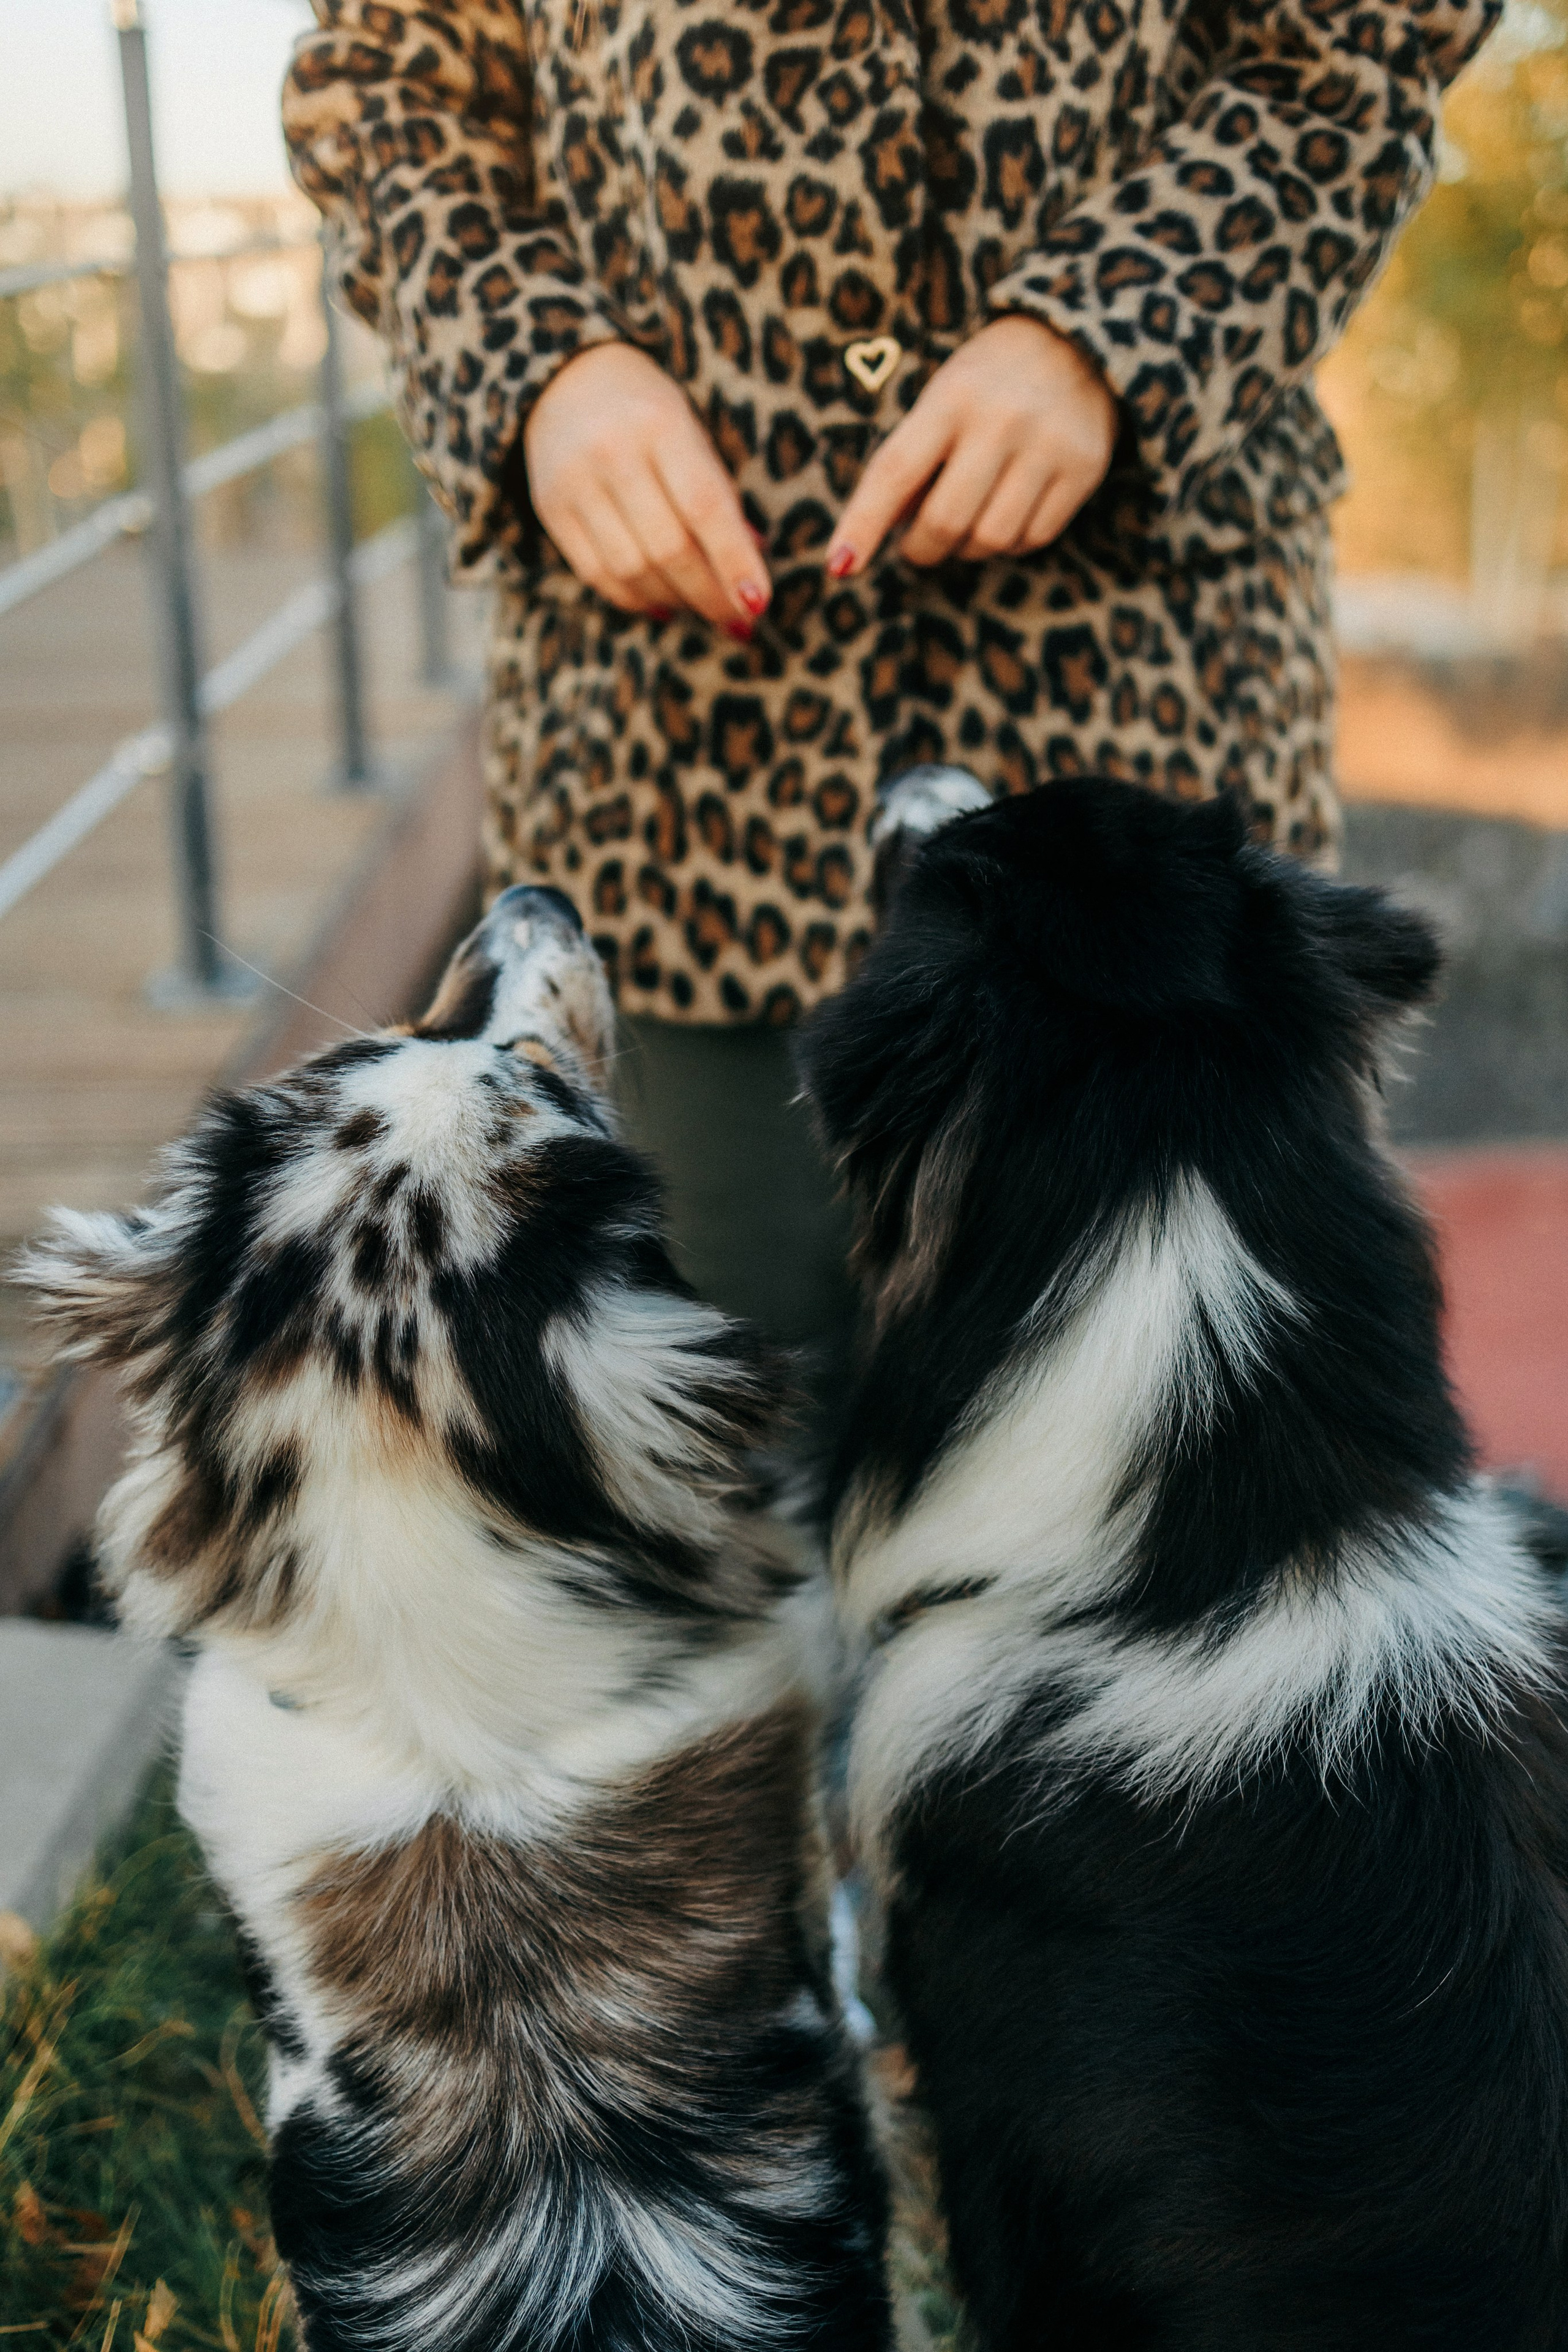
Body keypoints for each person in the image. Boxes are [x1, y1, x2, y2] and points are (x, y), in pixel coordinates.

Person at [282, 0, 1499, 1379]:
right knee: (706, 1472)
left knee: (1190, 1485)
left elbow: (1361, 46)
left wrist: (1118, 324)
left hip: (1139, 752)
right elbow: (388, 77)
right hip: (667, 778)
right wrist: (535, 368)